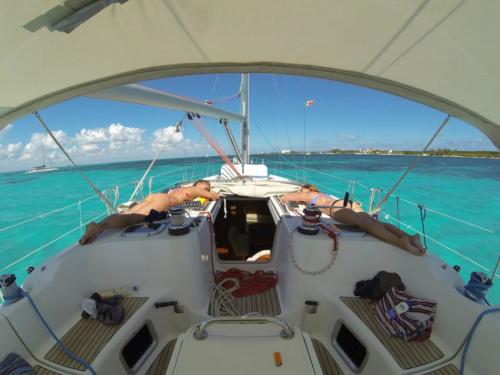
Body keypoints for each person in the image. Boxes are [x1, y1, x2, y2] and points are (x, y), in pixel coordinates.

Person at [281, 184, 426, 256]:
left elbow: (287, 198)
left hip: (335, 208)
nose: (300, 192)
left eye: (301, 189)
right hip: (347, 203)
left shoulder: (308, 194)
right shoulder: (321, 194)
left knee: (365, 225)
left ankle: (399, 242)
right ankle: (410, 237)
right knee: (376, 222)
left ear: (307, 189)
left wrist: (292, 196)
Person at [79, 179, 220, 245]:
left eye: (207, 188)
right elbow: (214, 196)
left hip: (156, 196)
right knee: (133, 218)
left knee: (131, 212)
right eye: (205, 187)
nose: (205, 190)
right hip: (166, 201)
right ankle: (99, 227)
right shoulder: (195, 190)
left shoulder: (184, 187)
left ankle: (101, 224)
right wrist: (209, 193)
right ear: (198, 185)